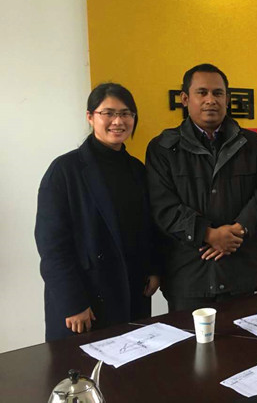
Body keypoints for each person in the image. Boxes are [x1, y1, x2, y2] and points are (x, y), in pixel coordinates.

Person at [145, 63, 257, 312]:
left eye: (218, 93)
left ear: (227, 99)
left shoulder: (251, 144)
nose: (211, 100)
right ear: (185, 99)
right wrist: (208, 234)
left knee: (244, 337)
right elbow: (162, 205)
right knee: (189, 339)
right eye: (202, 92)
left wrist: (238, 230)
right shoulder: (163, 148)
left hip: (240, 273)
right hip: (188, 277)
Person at [35, 83, 162, 341]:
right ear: (90, 117)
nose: (118, 121)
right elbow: (52, 245)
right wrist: (73, 302)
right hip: (86, 299)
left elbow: (147, 228)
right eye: (108, 113)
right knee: (83, 364)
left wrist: (154, 268)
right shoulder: (65, 170)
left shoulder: (137, 170)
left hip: (131, 291)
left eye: (126, 114)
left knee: (132, 360)